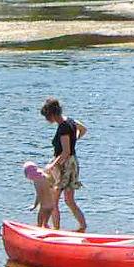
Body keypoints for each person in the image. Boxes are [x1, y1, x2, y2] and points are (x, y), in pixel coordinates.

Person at [41, 98, 87, 231]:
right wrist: (75, 139)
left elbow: (65, 152)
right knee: (69, 200)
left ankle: (56, 229)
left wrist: (52, 165)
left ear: (52, 115)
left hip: (64, 165)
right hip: (73, 163)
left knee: (53, 200)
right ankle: (83, 226)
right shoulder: (71, 121)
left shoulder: (63, 128)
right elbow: (83, 129)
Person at [23, 161, 58, 227]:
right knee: (45, 222)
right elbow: (53, 184)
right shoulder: (46, 177)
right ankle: (46, 226)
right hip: (51, 205)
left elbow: (39, 195)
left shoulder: (37, 182)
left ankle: (38, 230)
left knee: (39, 222)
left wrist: (35, 205)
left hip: (44, 206)